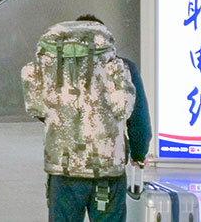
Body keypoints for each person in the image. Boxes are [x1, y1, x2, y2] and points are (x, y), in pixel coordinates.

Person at [21, 17, 136, 222]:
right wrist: (138, 151)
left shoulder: (47, 64)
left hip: (63, 168)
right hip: (107, 169)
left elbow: (36, 107)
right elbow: (125, 109)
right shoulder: (116, 65)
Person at [76, 15, 152, 169]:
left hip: (64, 162)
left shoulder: (57, 69)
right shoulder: (124, 68)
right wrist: (139, 153)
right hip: (109, 160)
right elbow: (139, 118)